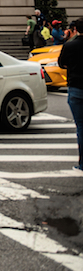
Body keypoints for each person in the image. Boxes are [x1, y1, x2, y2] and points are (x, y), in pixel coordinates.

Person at [56, 19, 82, 172]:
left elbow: (61, 63)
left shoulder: (70, 45)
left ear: (76, 29)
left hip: (76, 87)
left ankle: (82, 164)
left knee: (81, 126)